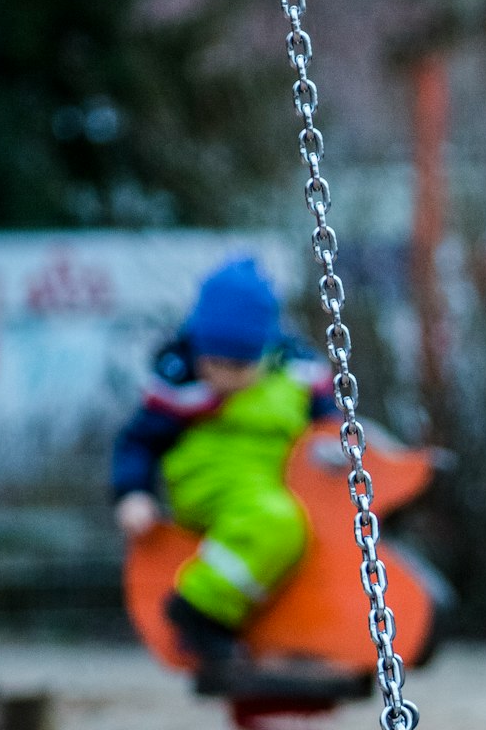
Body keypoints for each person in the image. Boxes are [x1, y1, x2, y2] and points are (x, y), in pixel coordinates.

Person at [111, 257, 336, 682]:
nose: (222, 377)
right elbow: (138, 441)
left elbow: (330, 429)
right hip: (208, 481)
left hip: (273, 483)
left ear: (266, 352)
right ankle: (197, 607)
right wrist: (132, 493)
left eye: (238, 366)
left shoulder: (297, 375)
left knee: (300, 523)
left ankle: (277, 620)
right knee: (275, 521)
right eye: (212, 362)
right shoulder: (180, 383)